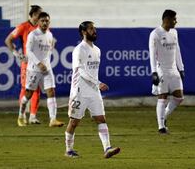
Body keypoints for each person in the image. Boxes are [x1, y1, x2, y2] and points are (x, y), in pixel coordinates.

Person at [64, 21, 120, 158]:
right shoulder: (79, 49)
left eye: (94, 28)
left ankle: (107, 148)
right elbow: (81, 71)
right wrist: (98, 82)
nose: (94, 31)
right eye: (90, 29)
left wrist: (96, 84)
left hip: (94, 91)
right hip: (79, 91)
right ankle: (69, 150)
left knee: (101, 119)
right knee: (74, 121)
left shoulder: (97, 50)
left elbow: (92, 71)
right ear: (84, 32)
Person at [20, 12, 64, 127]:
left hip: (47, 69)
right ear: (38, 22)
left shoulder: (49, 35)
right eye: (42, 21)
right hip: (34, 69)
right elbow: (28, 51)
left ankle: (53, 119)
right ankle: (21, 115)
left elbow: (49, 50)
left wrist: (46, 63)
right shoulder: (33, 35)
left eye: (47, 21)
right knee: (28, 94)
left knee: (51, 91)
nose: (45, 23)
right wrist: (39, 63)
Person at [5, 5, 43, 126]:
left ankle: (33, 116)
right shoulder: (23, 26)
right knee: (26, 89)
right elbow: (8, 40)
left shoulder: (42, 28)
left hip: (38, 63)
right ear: (32, 15)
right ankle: (21, 116)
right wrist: (17, 54)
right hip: (27, 64)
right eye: (38, 14)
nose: (40, 17)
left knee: (37, 89)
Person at [149, 9, 185, 134]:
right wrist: (154, 72)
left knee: (179, 98)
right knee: (162, 97)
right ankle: (161, 127)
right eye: (174, 19)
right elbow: (152, 54)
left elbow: (177, 51)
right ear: (166, 20)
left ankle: (163, 117)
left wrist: (181, 68)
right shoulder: (155, 33)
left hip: (174, 69)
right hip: (162, 70)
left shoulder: (174, 33)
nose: (176, 22)